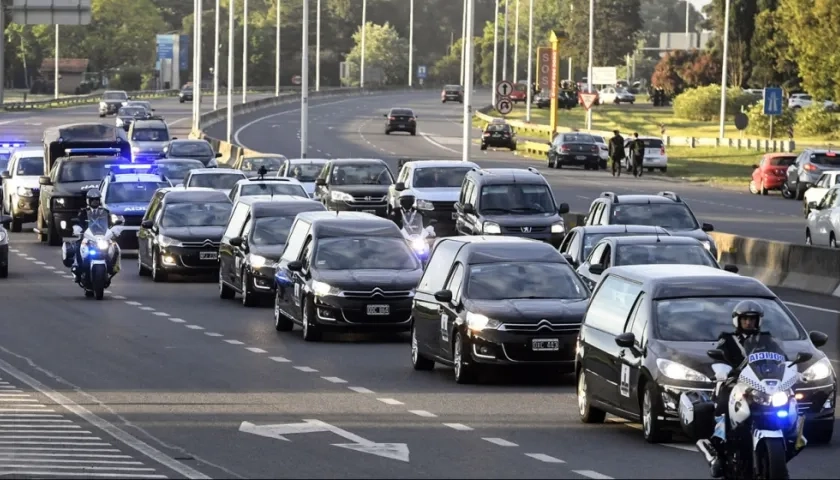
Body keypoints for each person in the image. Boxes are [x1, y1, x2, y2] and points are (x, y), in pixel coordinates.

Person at [706, 300, 766, 478]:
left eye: (752, 319)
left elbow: (781, 359)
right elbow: (719, 359)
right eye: (745, 319)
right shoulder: (727, 339)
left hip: (759, 384)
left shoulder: (767, 339)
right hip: (734, 382)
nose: (748, 322)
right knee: (723, 403)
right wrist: (724, 371)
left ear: (758, 321)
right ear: (737, 321)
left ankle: (793, 434)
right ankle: (718, 447)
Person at [70, 189, 120, 282]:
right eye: (92, 200)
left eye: (96, 199)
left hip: (102, 236)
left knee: (114, 247)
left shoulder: (105, 211)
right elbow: (78, 222)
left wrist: (114, 229)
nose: (95, 202)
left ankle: (113, 266)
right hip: (87, 236)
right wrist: (77, 228)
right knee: (78, 246)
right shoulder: (83, 212)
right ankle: (77, 267)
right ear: (88, 201)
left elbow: (110, 223)